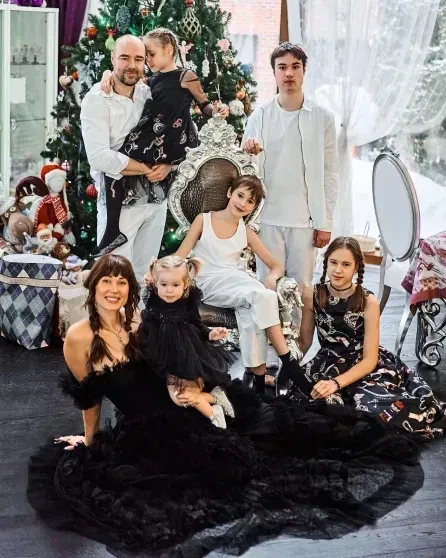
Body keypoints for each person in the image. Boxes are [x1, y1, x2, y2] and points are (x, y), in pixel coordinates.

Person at [27, 253, 425, 557]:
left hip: (181, 403)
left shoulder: (139, 323)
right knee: (205, 476)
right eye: (106, 282)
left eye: (121, 283)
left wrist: (197, 390)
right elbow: (89, 395)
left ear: (131, 288)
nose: (113, 290)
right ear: (93, 286)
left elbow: (180, 360)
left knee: (264, 440)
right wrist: (90, 439)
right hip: (148, 428)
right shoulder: (78, 337)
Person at [282, 236, 445, 440]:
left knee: (376, 414)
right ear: (326, 263)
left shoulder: (368, 301)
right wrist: (285, 371)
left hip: (366, 366)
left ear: (356, 267)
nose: (338, 270)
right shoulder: (312, 294)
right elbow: (304, 342)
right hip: (327, 363)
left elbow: (370, 360)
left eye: (346, 264)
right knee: (308, 405)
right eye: (333, 262)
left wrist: (336, 383)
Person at [171, 174, 310, 395]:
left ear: (254, 207)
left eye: (250, 201)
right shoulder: (203, 220)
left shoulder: (246, 232)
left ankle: (258, 385)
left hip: (238, 281)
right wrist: (160, 269)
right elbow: (180, 255)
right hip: (209, 281)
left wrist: (272, 277)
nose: (243, 203)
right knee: (262, 297)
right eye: (240, 195)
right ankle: (290, 365)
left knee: (252, 313)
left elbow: (275, 265)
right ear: (230, 193)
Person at [96, 27, 229, 256]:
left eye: (151, 54)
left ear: (169, 50)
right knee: (115, 165)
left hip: (172, 138)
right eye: (145, 55)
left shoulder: (186, 76)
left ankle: (112, 231)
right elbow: (124, 79)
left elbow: (203, 103)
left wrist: (216, 111)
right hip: (153, 134)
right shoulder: (150, 79)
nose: (147, 60)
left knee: (119, 164)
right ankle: (112, 230)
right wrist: (107, 73)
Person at [242, 43, 338, 316]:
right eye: (282, 67)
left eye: (295, 67)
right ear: (274, 73)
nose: (289, 73)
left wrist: (325, 222)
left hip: (305, 220)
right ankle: (270, 342)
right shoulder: (260, 116)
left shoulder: (322, 118)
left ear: (304, 71)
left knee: (302, 290)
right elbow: (244, 171)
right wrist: (249, 153)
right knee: (267, 288)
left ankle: (299, 342)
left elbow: (330, 172)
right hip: (267, 219)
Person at [80, 34, 171, 284]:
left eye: (138, 59)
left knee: (145, 276)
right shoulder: (97, 100)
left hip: (156, 199)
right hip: (118, 203)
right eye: (124, 58)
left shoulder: (149, 92)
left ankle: (140, 313)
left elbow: (177, 129)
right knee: (114, 275)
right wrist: (144, 168)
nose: (132, 65)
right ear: (112, 59)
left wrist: (168, 164)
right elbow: (99, 157)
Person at [140, 254, 236, 428]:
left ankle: (214, 415)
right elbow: (146, 301)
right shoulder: (153, 299)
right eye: (163, 284)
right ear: (156, 283)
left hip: (188, 354)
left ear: (185, 285)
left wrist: (210, 334)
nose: (169, 290)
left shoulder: (188, 301)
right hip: (164, 355)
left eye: (175, 285)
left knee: (183, 396)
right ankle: (215, 398)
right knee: (177, 399)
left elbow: (198, 325)